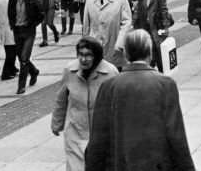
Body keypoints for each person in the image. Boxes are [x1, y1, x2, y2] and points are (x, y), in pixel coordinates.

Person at [83, 29, 195, 171]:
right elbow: (176, 136)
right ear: (150, 52)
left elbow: (98, 138)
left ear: (126, 54)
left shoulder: (108, 86)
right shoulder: (166, 85)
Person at [52, 36, 119, 171]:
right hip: (75, 133)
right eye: (81, 55)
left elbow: (118, 106)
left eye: (88, 55)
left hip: (100, 136)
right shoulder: (70, 71)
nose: (83, 59)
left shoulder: (111, 73)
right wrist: (56, 123)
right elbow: (61, 99)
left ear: (97, 56)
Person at [82, 0, 132, 68]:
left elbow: (126, 23)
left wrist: (120, 43)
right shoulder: (90, 0)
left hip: (114, 46)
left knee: (114, 76)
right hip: (95, 47)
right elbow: (86, 26)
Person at [8, 0, 43, 94]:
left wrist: (32, 25)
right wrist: (12, 25)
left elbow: (41, 14)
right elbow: (10, 13)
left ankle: (21, 86)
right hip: (17, 31)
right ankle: (33, 71)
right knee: (20, 56)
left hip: (28, 32)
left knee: (24, 59)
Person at [131, 0, 173, 72]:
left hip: (156, 28)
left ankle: (162, 72)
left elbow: (164, 11)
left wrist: (166, 27)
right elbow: (136, 12)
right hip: (145, 29)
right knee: (147, 52)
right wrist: (133, 24)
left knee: (160, 54)